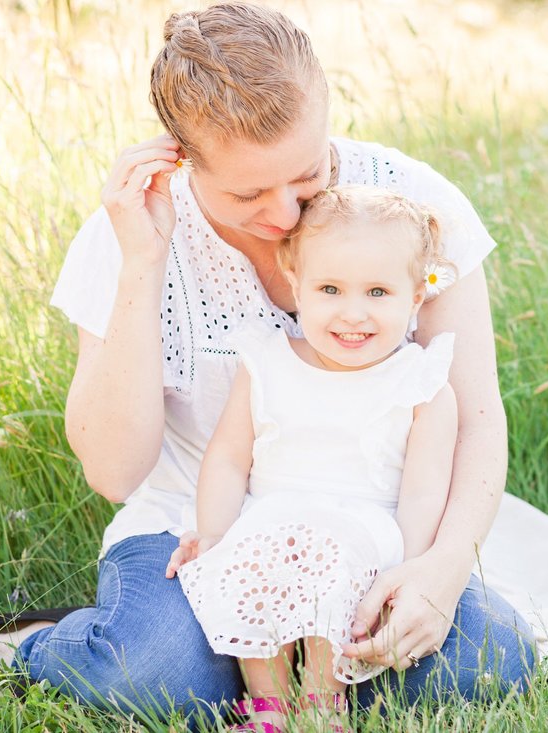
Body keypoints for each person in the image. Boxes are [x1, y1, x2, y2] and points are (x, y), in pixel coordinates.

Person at [0, 2, 535, 727]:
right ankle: (40, 643)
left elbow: (476, 416)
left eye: (305, 176)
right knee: (153, 673)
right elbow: (114, 471)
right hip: (196, 533)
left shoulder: (415, 209)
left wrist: (444, 564)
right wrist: (143, 264)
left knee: (487, 661)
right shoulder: (131, 230)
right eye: (247, 193)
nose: (282, 215)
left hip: (368, 535)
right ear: (180, 157)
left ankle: (287, 675)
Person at [164, 185, 460, 732]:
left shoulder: (421, 383)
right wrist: (214, 532)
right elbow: (229, 458)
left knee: (333, 555)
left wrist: (407, 569)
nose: (353, 313)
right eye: (330, 288)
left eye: (378, 291)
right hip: (272, 515)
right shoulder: (268, 362)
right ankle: (269, 703)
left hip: (364, 532)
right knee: (251, 550)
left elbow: (424, 492)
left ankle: (325, 703)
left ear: (416, 297)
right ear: (295, 283)